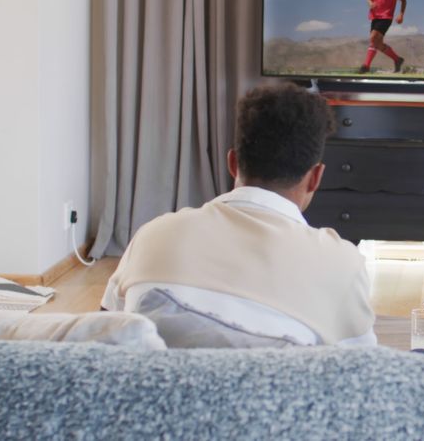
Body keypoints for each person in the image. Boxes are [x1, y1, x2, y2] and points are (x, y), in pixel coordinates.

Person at [101, 83, 375, 346]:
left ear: (232, 163)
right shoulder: (342, 264)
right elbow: (360, 372)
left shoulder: (153, 235)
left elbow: (106, 330)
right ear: (315, 178)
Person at [360, 0, 406, 74]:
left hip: (386, 17)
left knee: (373, 38)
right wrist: (370, 3)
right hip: (374, 17)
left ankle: (366, 66)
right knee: (377, 43)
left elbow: (403, 0)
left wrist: (401, 14)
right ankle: (397, 59)